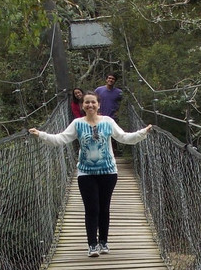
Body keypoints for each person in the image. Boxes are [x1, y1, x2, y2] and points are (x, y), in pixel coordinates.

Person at [29, 92, 152, 257]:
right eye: (86, 102)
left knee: (104, 208)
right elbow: (61, 139)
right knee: (91, 208)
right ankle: (92, 245)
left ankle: (103, 242)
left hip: (108, 172)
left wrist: (142, 133)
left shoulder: (108, 122)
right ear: (82, 105)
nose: (90, 105)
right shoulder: (77, 123)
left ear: (98, 105)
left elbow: (124, 137)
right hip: (86, 173)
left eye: (93, 102)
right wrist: (41, 135)